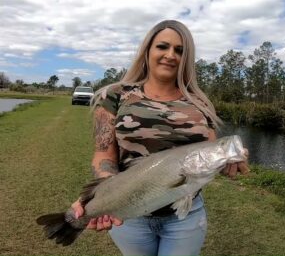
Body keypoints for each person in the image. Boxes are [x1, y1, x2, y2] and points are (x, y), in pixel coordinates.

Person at [72, 19, 249, 256]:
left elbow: (208, 151)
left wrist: (231, 161)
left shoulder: (200, 102)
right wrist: (101, 200)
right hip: (129, 214)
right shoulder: (115, 95)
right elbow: (104, 155)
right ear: (147, 51)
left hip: (186, 216)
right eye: (162, 46)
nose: (170, 55)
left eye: (180, 50)